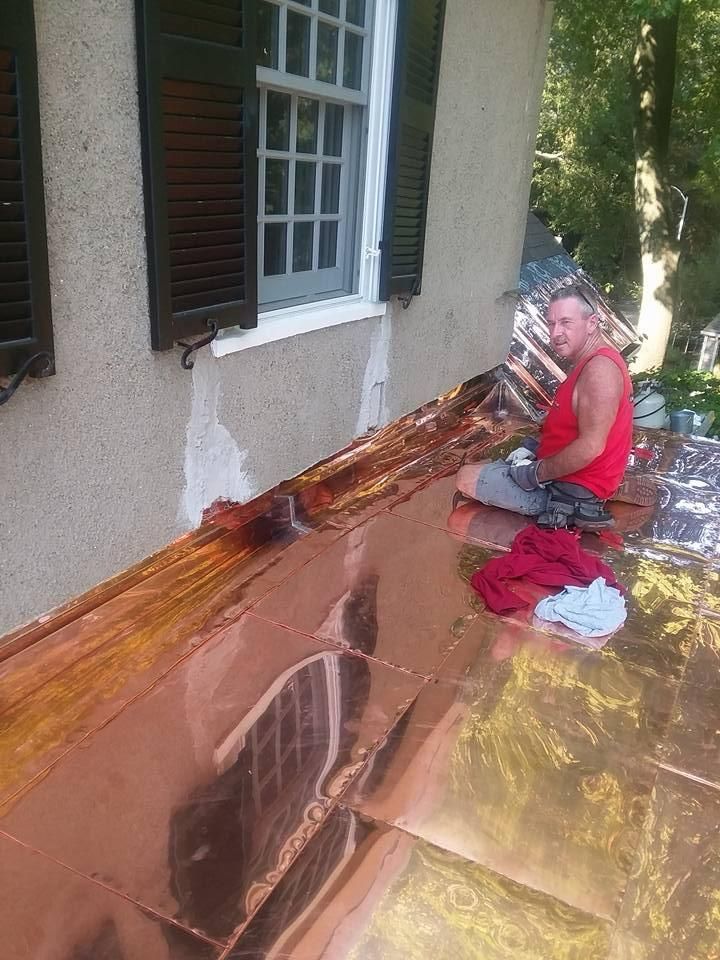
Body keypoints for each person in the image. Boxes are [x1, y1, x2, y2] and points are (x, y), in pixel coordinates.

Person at [456, 285, 654, 531]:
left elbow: (590, 447)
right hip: (572, 473)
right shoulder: (590, 360)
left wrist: (534, 474)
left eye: (566, 323)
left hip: (563, 489)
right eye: (551, 324)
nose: (556, 333)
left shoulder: (600, 371)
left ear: (592, 323)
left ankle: (589, 498)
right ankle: (607, 485)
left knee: (466, 477)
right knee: (481, 462)